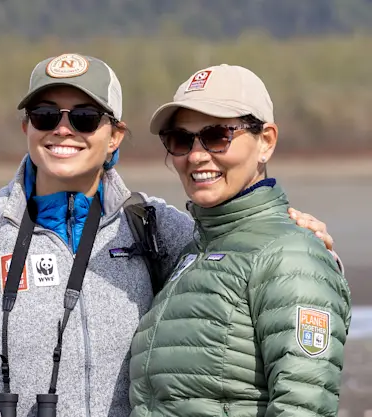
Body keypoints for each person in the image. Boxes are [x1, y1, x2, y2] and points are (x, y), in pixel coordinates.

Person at [0, 54, 339, 417]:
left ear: (115, 136)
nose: (63, 129)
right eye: (45, 115)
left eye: (85, 117)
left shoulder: (156, 229)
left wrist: (312, 249)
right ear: (26, 127)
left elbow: (250, 255)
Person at [128, 64, 352, 416]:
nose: (197, 155)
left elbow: (304, 406)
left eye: (217, 135)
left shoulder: (291, 256)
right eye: (180, 139)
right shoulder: (193, 252)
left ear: (266, 141)